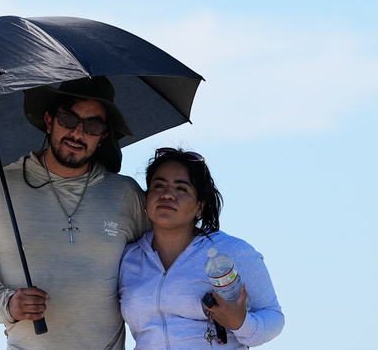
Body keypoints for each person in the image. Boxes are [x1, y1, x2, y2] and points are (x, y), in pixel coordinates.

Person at [0, 77, 150, 349]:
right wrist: (6, 303)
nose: (78, 133)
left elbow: (159, 267)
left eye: (92, 125)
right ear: (49, 120)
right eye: (68, 119)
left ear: (103, 136)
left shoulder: (126, 194)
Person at [119, 148, 285, 349]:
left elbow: (273, 316)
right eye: (159, 185)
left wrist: (240, 323)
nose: (167, 195)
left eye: (181, 188)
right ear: (146, 200)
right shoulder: (127, 259)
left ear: (200, 207)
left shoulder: (231, 250)